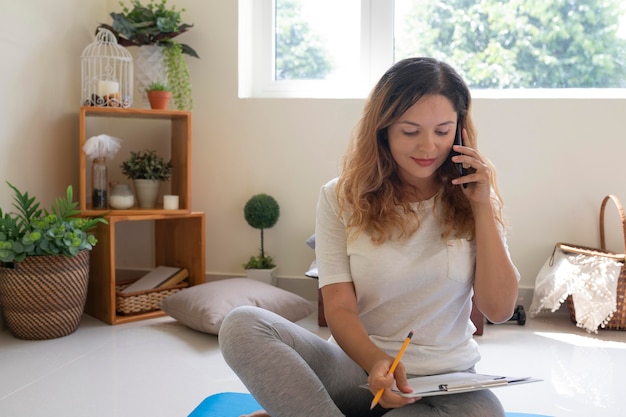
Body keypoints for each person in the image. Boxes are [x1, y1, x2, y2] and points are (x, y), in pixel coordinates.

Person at [219, 57, 520, 417]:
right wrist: (377, 363)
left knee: (485, 413)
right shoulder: (339, 197)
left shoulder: (475, 196)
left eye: (442, 131)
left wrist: (482, 208)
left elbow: (499, 310)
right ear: (384, 130)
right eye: (410, 131)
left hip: (446, 386)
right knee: (241, 324)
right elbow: (340, 308)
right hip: (356, 373)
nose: (428, 147)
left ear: (460, 132)